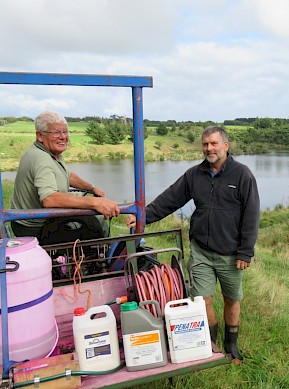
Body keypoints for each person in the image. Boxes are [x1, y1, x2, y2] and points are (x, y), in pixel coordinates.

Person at [127, 125, 260, 363]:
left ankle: (232, 345)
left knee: (232, 299)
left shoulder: (242, 175)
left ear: (226, 146)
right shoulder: (194, 174)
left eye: (214, 143)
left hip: (231, 254)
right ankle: (212, 344)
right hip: (201, 251)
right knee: (202, 300)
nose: (209, 148)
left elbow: (251, 215)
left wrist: (245, 252)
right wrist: (142, 216)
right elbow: (170, 199)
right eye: (205, 144)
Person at [11, 111, 120, 241]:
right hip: (35, 227)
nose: (63, 137)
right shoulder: (41, 159)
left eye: (65, 132)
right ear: (40, 135)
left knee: (95, 218)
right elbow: (49, 199)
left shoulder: (50, 152)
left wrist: (91, 188)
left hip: (41, 221)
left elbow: (67, 175)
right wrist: (95, 202)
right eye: (56, 132)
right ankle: (97, 257)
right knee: (96, 221)